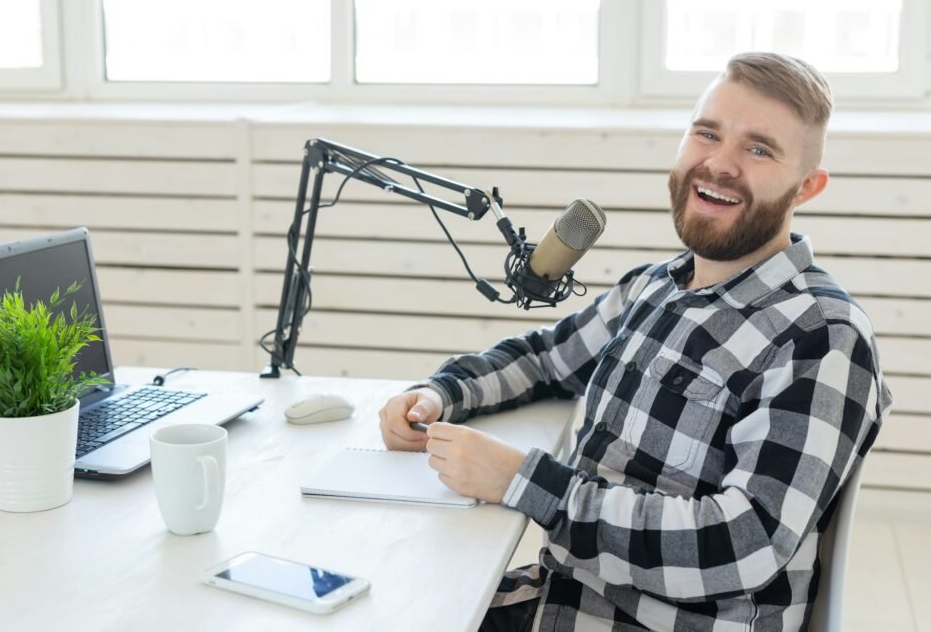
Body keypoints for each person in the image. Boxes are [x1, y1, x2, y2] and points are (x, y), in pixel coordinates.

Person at [379, 52, 891, 631]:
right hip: (562, 599)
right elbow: (551, 359)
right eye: (706, 133)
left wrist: (523, 481)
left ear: (807, 187)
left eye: (758, 149)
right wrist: (441, 392)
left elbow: (743, 543)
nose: (719, 164)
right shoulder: (655, 287)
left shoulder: (822, 337)